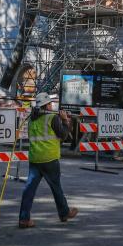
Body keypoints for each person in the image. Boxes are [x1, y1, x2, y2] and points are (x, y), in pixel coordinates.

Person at [19, 92, 78, 228]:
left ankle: (24, 219)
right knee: (56, 187)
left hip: (35, 158)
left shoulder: (31, 119)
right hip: (49, 159)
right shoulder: (52, 117)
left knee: (29, 189)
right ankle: (64, 213)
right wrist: (65, 121)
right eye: (50, 103)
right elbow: (63, 135)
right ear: (48, 104)